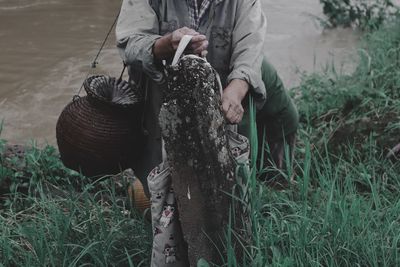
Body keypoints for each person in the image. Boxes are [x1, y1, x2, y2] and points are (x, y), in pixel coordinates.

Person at [115, 0, 299, 195]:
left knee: (278, 123)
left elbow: (250, 46)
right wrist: (166, 44)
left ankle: (274, 184)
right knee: (168, 188)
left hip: (228, 80)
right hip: (163, 90)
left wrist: (235, 90)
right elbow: (129, 45)